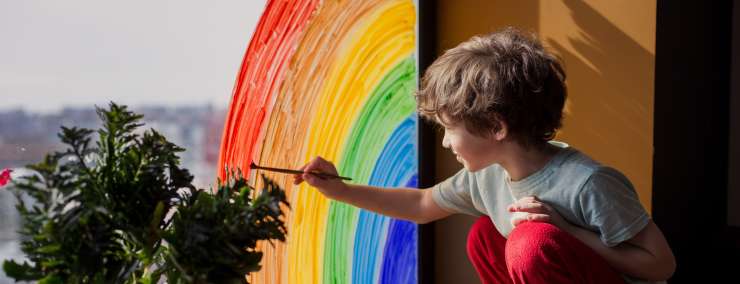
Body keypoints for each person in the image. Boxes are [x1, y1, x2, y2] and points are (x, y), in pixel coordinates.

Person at [293, 27, 675, 284]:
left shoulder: (587, 183)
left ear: (496, 127)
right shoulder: (487, 175)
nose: (444, 143)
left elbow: (661, 265)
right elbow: (423, 203)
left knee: (530, 244)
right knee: (484, 235)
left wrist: (568, 232)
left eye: (449, 129)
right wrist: (339, 190)